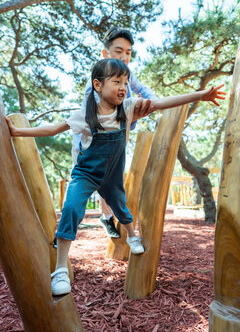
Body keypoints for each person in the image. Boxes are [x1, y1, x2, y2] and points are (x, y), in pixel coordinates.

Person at [5, 59, 225, 296]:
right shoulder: (85, 115)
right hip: (86, 174)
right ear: (97, 85)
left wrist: (200, 95)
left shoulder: (129, 107)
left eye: (126, 82)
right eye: (116, 81)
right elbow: (52, 129)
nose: (123, 87)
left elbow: (162, 103)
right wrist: (18, 132)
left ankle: (132, 237)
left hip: (112, 174)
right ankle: (59, 270)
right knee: (70, 209)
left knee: (120, 207)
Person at [73, 27, 158, 239]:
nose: (124, 56)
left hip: (117, 136)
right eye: (119, 51)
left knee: (113, 177)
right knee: (91, 181)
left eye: (128, 52)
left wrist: (154, 103)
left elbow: (143, 90)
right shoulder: (97, 81)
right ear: (105, 54)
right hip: (92, 141)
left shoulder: (128, 75)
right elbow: (93, 113)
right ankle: (72, 228)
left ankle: (107, 217)